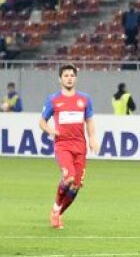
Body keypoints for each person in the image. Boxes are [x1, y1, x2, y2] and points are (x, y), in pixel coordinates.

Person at [38, 64, 98, 230]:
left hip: (80, 147)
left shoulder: (85, 99)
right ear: (60, 79)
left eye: (72, 75)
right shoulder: (53, 100)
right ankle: (56, 209)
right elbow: (42, 122)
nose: (69, 78)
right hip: (63, 145)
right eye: (66, 75)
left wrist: (93, 138)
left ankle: (56, 213)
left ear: (76, 78)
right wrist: (51, 130)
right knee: (69, 177)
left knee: (76, 186)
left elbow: (90, 121)